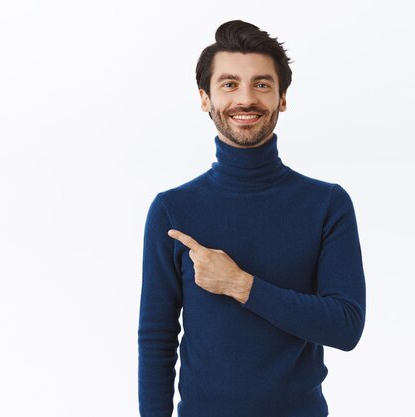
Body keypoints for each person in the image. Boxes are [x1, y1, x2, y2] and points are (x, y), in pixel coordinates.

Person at [137, 20, 366, 417]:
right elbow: (157, 338)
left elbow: (345, 327)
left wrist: (241, 285)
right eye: (229, 84)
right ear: (204, 98)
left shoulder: (326, 204)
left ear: (282, 98)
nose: (246, 98)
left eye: (261, 84)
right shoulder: (173, 210)